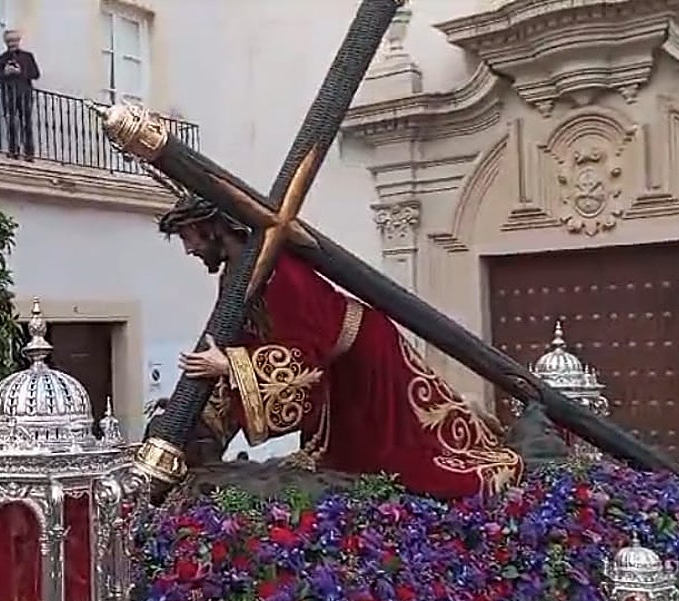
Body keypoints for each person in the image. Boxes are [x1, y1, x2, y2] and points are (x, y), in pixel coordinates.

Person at [163, 195, 524, 499]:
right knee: (347, 467)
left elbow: (305, 354)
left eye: (189, 236)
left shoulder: (281, 270)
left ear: (214, 226)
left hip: (366, 359)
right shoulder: (238, 273)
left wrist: (230, 367)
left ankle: (483, 446)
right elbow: (245, 341)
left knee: (408, 465)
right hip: (338, 370)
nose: (189, 248)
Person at [0, 29, 39, 161]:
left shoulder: (27, 57)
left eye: (14, 41)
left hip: (24, 93)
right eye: (9, 41)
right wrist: (5, 73)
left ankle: (29, 153)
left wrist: (21, 71)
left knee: (26, 123)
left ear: (19, 41)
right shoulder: (1, 59)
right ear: (5, 43)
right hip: (8, 94)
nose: (12, 44)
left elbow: (35, 74)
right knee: (11, 122)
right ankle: (13, 151)